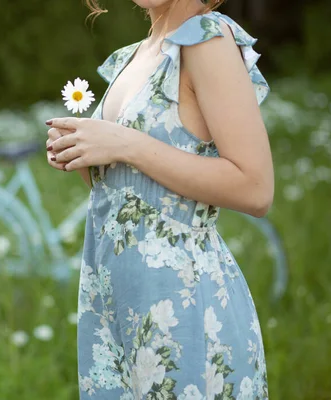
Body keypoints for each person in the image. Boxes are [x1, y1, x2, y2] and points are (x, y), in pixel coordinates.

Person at [45, 0, 274, 398]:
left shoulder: (206, 40)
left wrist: (127, 143)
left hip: (184, 311)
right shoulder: (133, 57)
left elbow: (255, 188)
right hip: (114, 310)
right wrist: (82, 151)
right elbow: (135, 198)